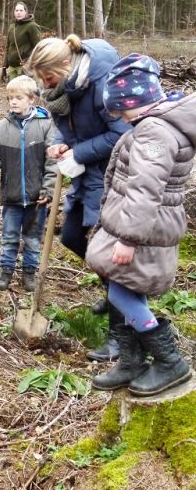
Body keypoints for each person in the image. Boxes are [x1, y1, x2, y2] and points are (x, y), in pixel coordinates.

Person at [86, 54, 194, 396]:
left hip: (144, 230)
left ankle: (169, 361)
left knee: (121, 289)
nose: (119, 118)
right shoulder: (154, 126)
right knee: (124, 288)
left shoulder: (153, 134)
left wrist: (129, 238)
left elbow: (145, 190)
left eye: (120, 111)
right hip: (147, 225)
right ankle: (132, 360)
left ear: (130, 102)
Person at [24, 34, 131, 363]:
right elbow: (66, 125)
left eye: (48, 76)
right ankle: (115, 294)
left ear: (65, 66)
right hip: (87, 173)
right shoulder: (62, 89)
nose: (45, 83)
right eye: (41, 78)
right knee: (71, 237)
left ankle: (121, 334)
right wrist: (60, 143)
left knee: (110, 255)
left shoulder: (101, 84)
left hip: (112, 174)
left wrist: (79, 152)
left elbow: (121, 134)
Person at [0, 75, 57, 291]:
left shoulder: (45, 125)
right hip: (12, 195)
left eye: (18, 98)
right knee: (10, 236)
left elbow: (52, 162)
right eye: (10, 98)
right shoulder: (2, 127)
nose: (13, 102)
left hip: (36, 197)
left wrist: (48, 189)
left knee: (32, 238)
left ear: (31, 100)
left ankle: (29, 273)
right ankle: (6, 270)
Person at [2, 2, 40, 82]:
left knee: (25, 92)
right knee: (12, 92)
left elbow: (38, 47)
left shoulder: (32, 26)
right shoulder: (12, 27)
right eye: (16, 10)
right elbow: (8, 48)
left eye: (21, 10)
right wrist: (4, 66)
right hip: (12, 67)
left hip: (25, 67)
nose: (18, 13)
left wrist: (29, 62)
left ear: (25, 12)